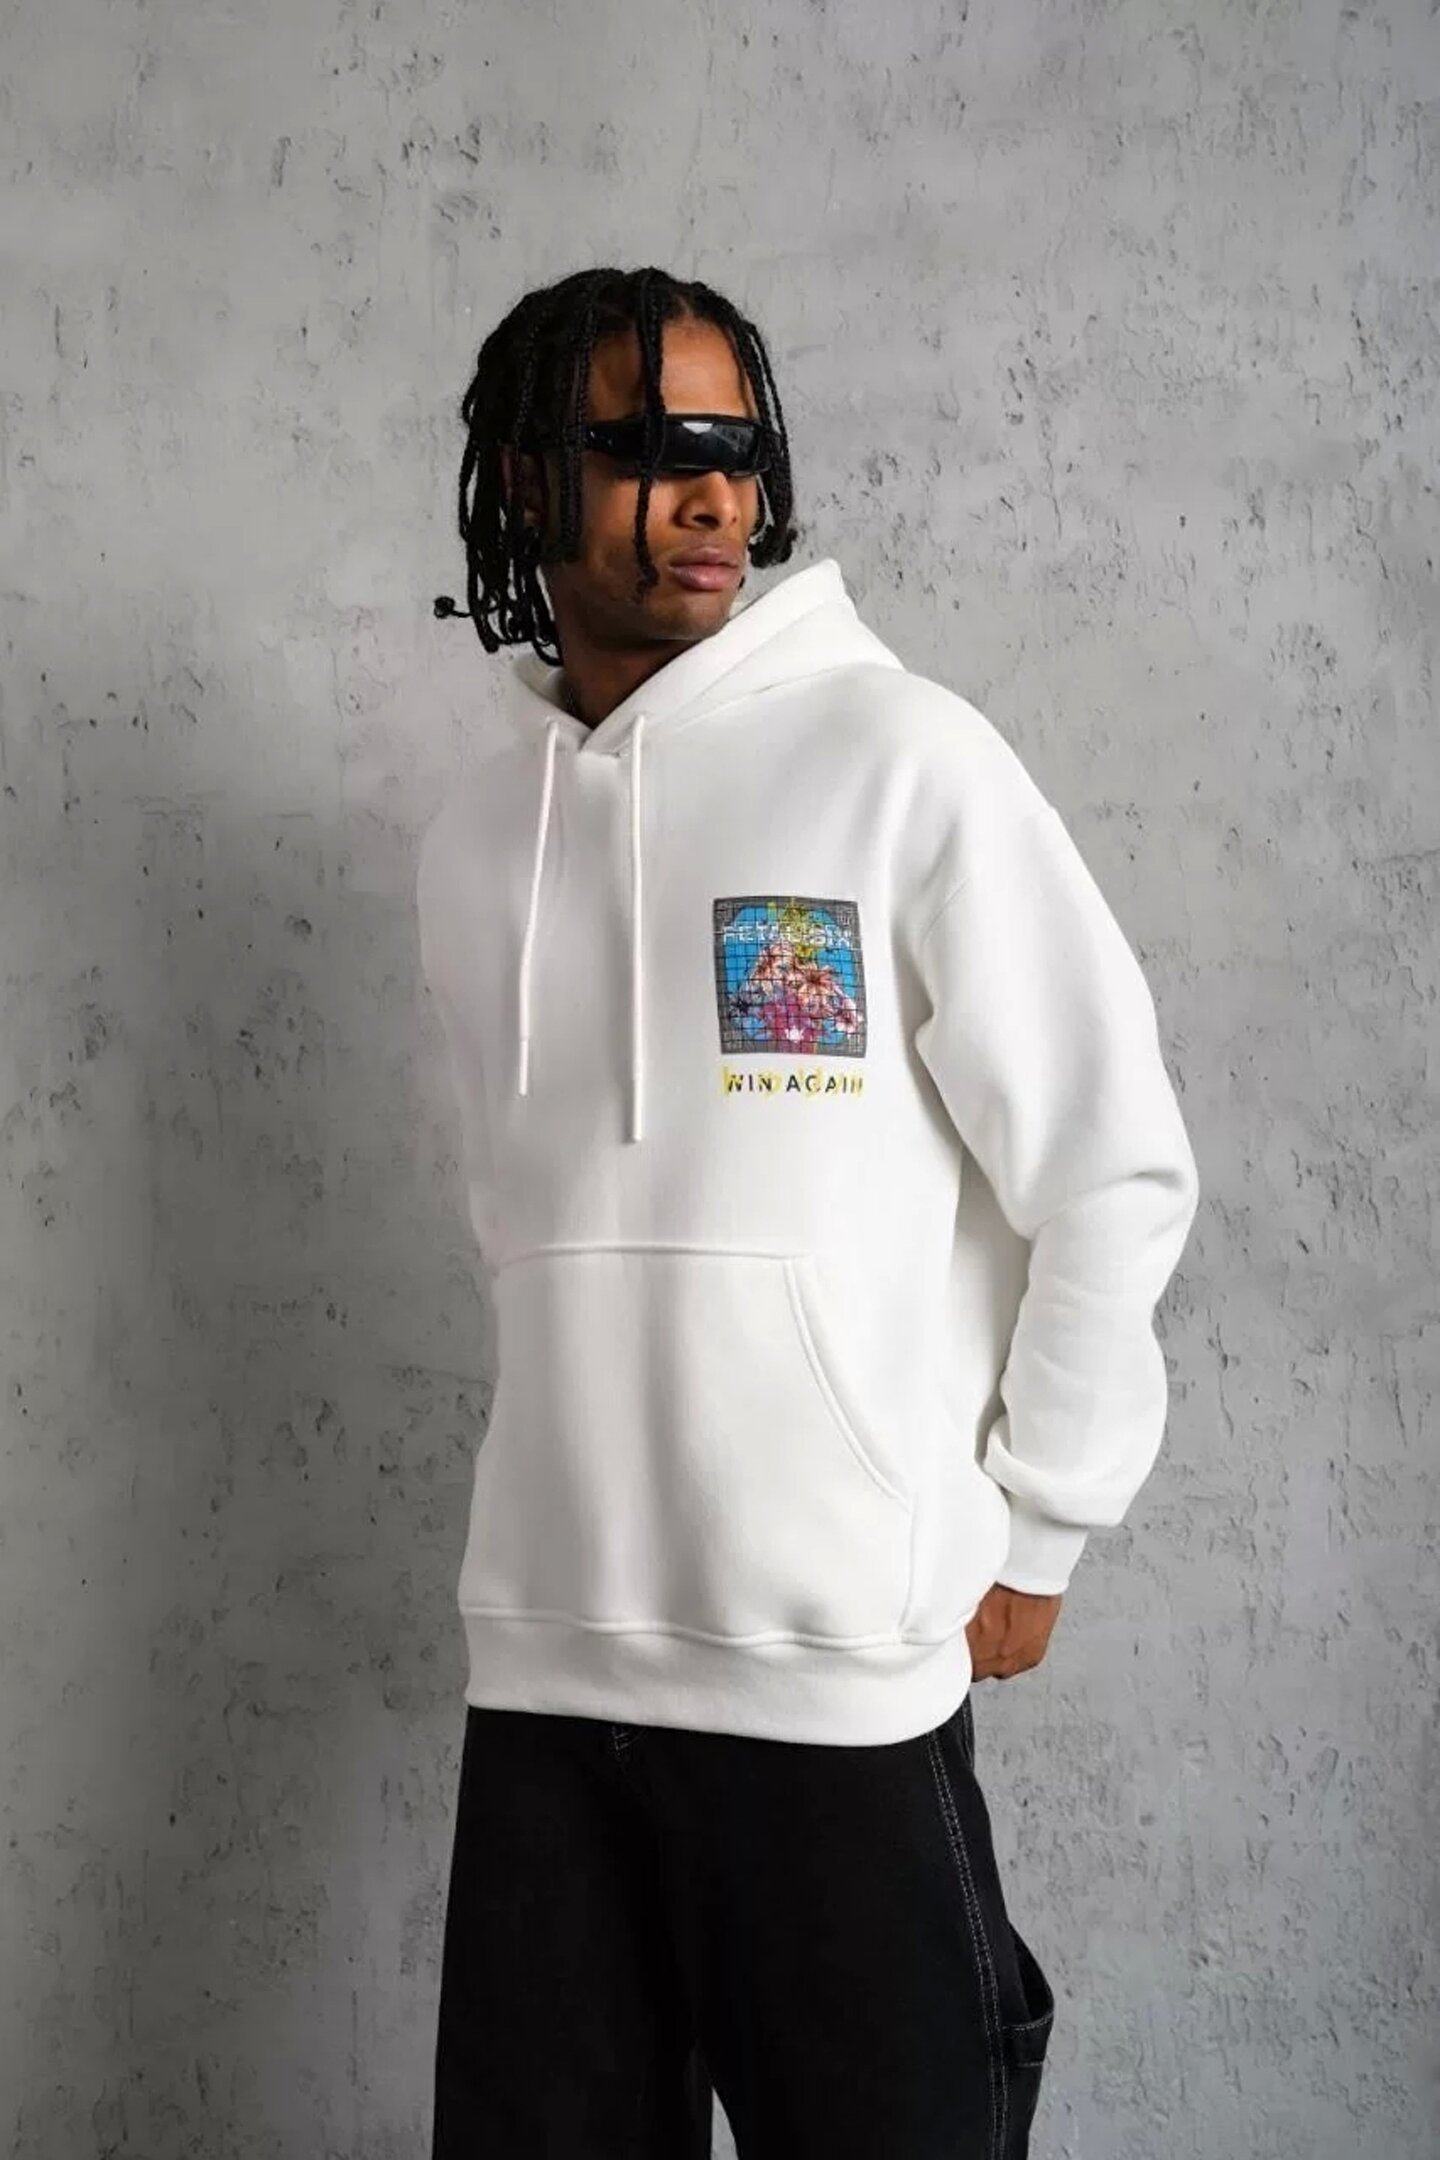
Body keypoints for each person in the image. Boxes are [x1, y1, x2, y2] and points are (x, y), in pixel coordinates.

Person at [417, 263, 1201, 2159]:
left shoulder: (903, 757)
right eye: (643, 449)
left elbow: (1111, 1161)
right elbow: (514, 1226)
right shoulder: (475, 838)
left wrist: (1047, 1515)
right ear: (524, 479)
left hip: (833, 1689)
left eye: (734, 449)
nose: (713, 496)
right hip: (546, 1668)